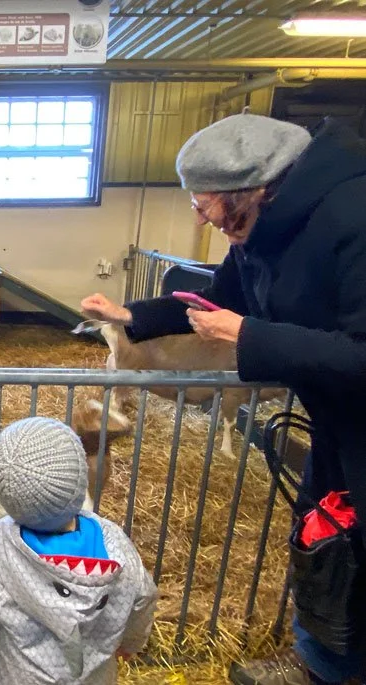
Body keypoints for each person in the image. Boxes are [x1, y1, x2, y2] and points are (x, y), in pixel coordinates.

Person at [82, 111, 366, 685]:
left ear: (253, 190)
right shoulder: (263, 231)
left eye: (205, 202)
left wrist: (249, 336)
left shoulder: (353, 216)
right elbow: (215, 300)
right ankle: (324, 663)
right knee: (326, 536)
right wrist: (131, 317)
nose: (201, 217)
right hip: (337, 415)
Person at [0, 416, 157, 684]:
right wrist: (130, 643)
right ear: (78, 479)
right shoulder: (113, 541)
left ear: (5, 494)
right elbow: (143, 596)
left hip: (16, 675)